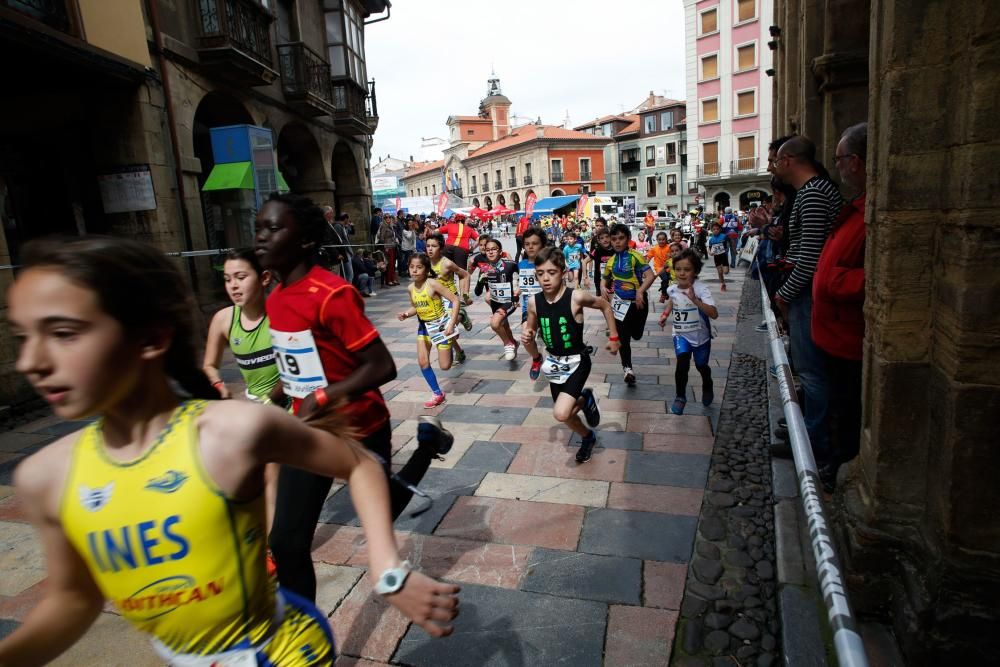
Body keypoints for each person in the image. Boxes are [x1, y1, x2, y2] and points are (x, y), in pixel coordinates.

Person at [0, 236, 459, 666]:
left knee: (294, 531)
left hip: (282, 651)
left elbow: (356, 462)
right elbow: (73, 597)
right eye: (23, 337)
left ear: (149, 338)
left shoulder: (229, 434)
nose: (31, 362)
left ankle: (425, 444)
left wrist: (386, 569)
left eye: (63, 333)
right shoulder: (45, 477)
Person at [255, 193, 451, 602]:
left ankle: (426, 448)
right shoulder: (274, 297)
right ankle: (305, 641)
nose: (262, 237)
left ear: (306, 240)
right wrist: (279, 394)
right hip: (309, 432)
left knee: (383, 513)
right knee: (287, 542)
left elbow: (382, 366)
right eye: (260, 227)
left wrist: (325, 395)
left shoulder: (331, 293)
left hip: (360, 426)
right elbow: (300, 360)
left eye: (274, 228)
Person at [771, 136, 843, 467]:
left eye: (775, 161)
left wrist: (785, 294)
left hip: (808, 295)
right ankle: (809, 435)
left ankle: (813, 445)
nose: (772, 167)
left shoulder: (813, 194)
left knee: (811, 373)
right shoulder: (812, 194)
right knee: (810, 372)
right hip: (806, 293)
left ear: (788, 161)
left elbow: (810, 257)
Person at [522, 247, 621, 463]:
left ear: (563, 271)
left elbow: (604, 305)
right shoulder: (533, 303)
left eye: (551, 272)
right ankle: (587, 436)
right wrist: (528, 340)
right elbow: (533, 349)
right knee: (566, 415)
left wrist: (613, 337)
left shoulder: (575, 297)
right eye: (540, 273)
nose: (545, 278)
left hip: (578, 361)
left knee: (561, 413)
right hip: (555, 363)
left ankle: (584, 399)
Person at [811, 122, 867, 491]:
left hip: (847, 335)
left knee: (846, 407)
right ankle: (832, 453)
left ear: (858, 161)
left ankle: (839, 462)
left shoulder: (871, 212)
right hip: (831, 331)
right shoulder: (856, 207)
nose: (837, 167)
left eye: (840, 159)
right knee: (836, 403)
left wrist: (831, 281)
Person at [658, 249, 719, 415]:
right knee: (682, 363)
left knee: (701, 366)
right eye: (678, 269)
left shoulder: (701, 289)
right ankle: (680, 396)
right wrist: (665, 315)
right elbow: (673, 301)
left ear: (696, 271)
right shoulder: (672, 289)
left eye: (687, 269)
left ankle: (707, 383)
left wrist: (694, 300)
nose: (682, 273)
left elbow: (714, 313)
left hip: (701, 337)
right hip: (681, 334)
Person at [399, 253, 461, 408]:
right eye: (412, 267)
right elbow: (416, 307)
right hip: (424, 328)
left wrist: (451, 324)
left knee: (445, 366)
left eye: (419, 267)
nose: (414, 270)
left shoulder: (433, 284)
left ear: (426, 270)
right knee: (422, 361)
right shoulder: (410, 288)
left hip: (441, 327)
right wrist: (406, 314)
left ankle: (452, 341)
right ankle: (437, 393)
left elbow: (455, 300)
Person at [603, 223, 656, 385]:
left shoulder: (636, 256)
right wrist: (603, 289)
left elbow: (650, 276)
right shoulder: (611, 261)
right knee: (623, 339)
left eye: (621, 238)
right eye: (614, 239)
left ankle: (628, 362)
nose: (617, 242)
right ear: (611, 242)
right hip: (620, 305)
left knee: (637, 335)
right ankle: (627, 369)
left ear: (628, 239)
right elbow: (605, 280)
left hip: (639, 304)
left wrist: (640, 292)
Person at [425, 232, 473, 339]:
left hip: (450, 299)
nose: (430, 249)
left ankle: (461, 315)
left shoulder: (447, 263)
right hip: (435, 300)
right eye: (428, 246)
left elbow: (465, 275)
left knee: (448, 330)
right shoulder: (424, 262)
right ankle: (460, 353)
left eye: (434, 246)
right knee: (442, 333)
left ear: (441, 248)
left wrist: (464, 294)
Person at [482, 237, 521, 360]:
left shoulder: (510, 265)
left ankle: (508, 344)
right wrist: (480, 280)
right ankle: (514, 342)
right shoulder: (485, 268)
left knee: (495, 323)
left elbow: (525, 276)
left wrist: (517, 292)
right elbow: (478, 292)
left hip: (509, 301)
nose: (491, 252)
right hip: (495, 302)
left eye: (494, 249)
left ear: (500, 251)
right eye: (488, 250)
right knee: (504, 326)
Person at [517, 226, 546, 324]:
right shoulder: (521, 265)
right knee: (526, 335)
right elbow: (522, 285)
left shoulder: (548, 264)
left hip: (545, 307)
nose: (530, 247)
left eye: (535, 243)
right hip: (527, 308)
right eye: (527, 244)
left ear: (542, 245)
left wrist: (540, 277)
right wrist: (516, 293)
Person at [647, 231, 673, 303]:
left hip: (669, 268)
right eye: (659, 239)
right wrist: (644, 267)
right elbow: (648, 258)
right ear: (657, 240)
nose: (661, 241)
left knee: (671, 280)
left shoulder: (669, 248)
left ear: (666, 239)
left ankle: (667, 292)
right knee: (665, 279)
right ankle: (664, 294)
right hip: (659, 269)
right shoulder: (654, 248)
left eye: (663, 239)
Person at [589, 228, 615, 298]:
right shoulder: (597, 251)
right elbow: (586, 260)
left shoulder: (616, 250)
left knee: (612, 302)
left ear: (610, 238)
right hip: (599, 280)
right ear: (599, 241)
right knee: (602, 303)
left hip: (614, 281)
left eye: (607, 237)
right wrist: (585, 277)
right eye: (602, 238)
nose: (605, 240)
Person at [377, 217, 399, 286]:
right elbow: (381, 237)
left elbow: (393, 236)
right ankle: (388, 280)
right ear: (384, 219)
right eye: (386, 217)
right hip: (387, 247)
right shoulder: (383, 226)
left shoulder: (391, 226)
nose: (388, 219)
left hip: (392, 246)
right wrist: (385, 246)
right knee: (389, 264)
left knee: (393, 264)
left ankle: (393, 279)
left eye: (389, 217)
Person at [708, 222, 730, 291]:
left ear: (720, 229)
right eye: (714, 229)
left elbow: (728, 244)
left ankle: (726, 268)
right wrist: (710, 253)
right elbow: (709, 248)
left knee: (725, 272)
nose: (716, 230)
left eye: (717, 229)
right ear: (711, 230)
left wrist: (728, 249)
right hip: (716, 257)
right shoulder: (711, 239)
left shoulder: (724, 236)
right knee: (720, 272)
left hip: (724, 256)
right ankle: (723, 284)